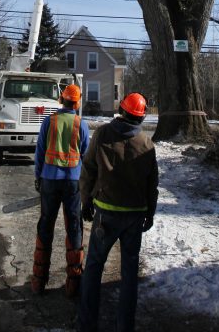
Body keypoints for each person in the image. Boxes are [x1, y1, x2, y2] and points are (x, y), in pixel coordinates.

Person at [78, 92, 158, 332]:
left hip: (106, 214)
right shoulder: (146, 143)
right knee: (129, 273)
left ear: (122, 111)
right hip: (134, 216)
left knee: (94, 267)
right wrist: (150, 213)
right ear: (141, 117)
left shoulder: (103, 134)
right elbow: (151, 183)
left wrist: (86, 200)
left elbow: (88, 168)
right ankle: (126, 326)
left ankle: (86, 324)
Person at [32, 82, 90, 296]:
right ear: (77, 102)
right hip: (73, 183)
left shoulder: (49, 121)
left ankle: (38, 282)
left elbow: (39, 151)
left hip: (49, 180)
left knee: (45, 225)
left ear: (61, 99)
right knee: (74, 228)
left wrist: (38, 176)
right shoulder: (80, 124)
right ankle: (74, 285)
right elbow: (87, 155)